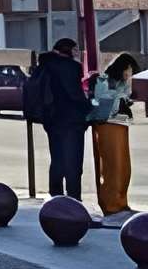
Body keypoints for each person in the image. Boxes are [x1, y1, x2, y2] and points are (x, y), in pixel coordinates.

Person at [26, 36, 90, 200]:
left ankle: (55, 196)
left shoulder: (45, 65)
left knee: (57, 159)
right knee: (73, 162)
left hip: (51, 120)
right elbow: (74, 94)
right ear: (67, 50)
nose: (77, 53)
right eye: (75, 49)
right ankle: (74, 198)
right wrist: (89, 108)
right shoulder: (70, 67)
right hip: (70, 120)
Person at [90, 51, 139, 215]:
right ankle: (111, 204)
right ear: (123, 68)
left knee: (123, 167)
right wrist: (120, 97)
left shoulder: (121, 84)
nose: (129, 75)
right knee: (113, 165)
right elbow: (102, 104)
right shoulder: (105, 81)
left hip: (120, 124)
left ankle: (121, 201)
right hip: (109, 125)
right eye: (129, 70)